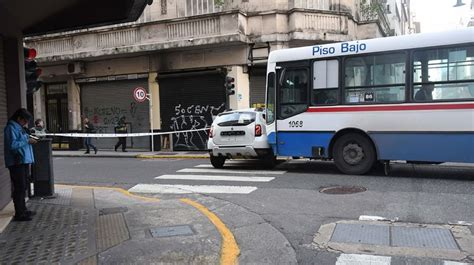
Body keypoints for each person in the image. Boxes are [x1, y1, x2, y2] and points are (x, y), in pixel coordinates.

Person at [4, 108, 37, 221]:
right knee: (19, 187)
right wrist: (27, 140)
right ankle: (19, 213)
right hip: (16, 162)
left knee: (23, 187)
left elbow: (21, 140)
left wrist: (29, 137)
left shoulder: (19, 128)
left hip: (22, 161)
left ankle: (23, 209)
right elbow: (12, 145)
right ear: (19, 118)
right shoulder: (11, 128)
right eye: (25, 120)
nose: (26, 123)